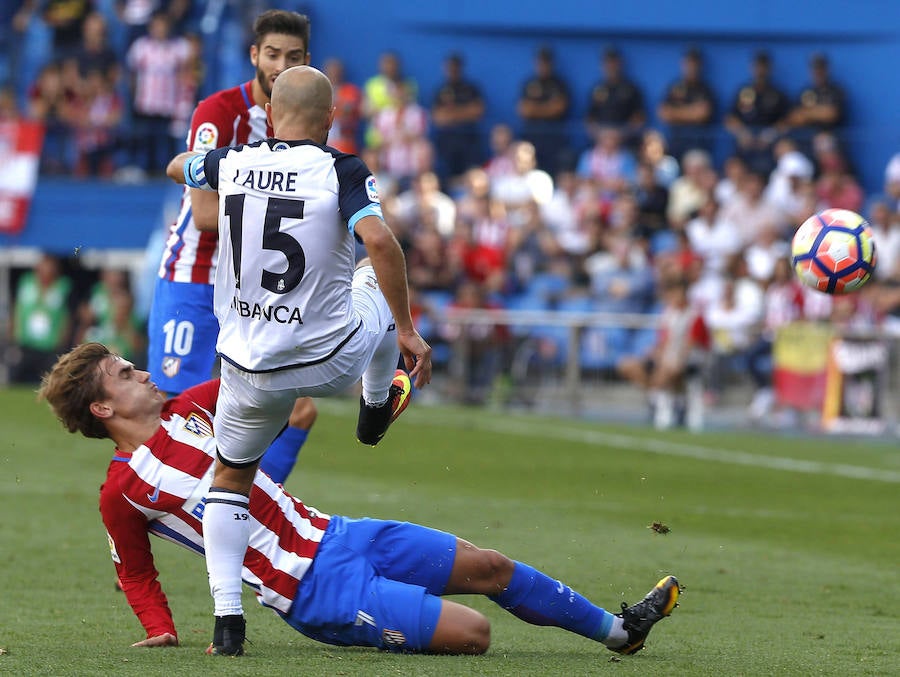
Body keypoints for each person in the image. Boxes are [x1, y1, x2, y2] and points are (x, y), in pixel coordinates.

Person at [39, 341, 681, 656]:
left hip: (341, 534)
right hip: (311, 590)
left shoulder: (197, 406)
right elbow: (135, 570)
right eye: (125, 374)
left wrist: (372, 364)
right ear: (102, 409)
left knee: (491, 566)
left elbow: (289, 398)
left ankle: (620, 631)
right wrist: (160, 629)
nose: (142, 372)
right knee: (476, 634)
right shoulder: (122, 490)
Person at [166, 64, 433, 655]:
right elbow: (379, 240)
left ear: (270, 113)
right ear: (331, 117)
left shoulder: (234, 161)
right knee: (372, 280)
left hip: (246, 369)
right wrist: (408, 330)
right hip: (327, 359)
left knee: (229, 479)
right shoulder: (342, 169)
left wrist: (200, 165)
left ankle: (227, 623)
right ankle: (374, 407)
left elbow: (177, 167)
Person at [147, 9, 315, 494]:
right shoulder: (219, 113)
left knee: (295, 411)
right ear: (254, 55)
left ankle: (243, 516)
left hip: (254, 288)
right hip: (196, 275)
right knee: (175, 413)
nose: (281, 66)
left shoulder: (302, 127)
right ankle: (153, 522)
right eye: (273, 54)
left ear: (306, 60)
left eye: (294, 57)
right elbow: (204, 215)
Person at [723, 51, 789, 175]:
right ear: (752, 67)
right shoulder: (743, 92)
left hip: (769, 148)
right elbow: (730, 119)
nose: (760, 70)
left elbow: (787, 121)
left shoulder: (777, 94)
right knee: (733, 165)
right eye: (758, 66)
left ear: (769, 69)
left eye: (764, 66)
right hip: (745, 146)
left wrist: (770, 134)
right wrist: (742, 133)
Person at [431, 52, 485, 184]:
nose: (452, 71)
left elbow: (477, 112)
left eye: (455, 67)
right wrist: (464, 112)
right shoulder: (440, 90)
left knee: (471, 176)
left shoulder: (471, 89)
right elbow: (438, 118)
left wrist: (451, 113)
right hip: (446, 143)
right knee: (445, 178)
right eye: (449, 67)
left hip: (468, 141)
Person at [516, 46, 571, 175]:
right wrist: (548, 107)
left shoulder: (559, 84)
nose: (543, 66)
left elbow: (558, 108)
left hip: (554, 138)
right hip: (531, 136)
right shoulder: (529, 84)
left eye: (546, 62)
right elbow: (523, 110)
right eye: (540, 62)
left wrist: (535, 109)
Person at [656, 46, 716, 160]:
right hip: (674, 144)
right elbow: (663, 113)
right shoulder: (674, 87)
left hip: (697, 145)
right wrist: (691, 112)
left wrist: (675, 113)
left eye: (694, 64)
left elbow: (702, 114)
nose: (691, 67)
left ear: (700, 65)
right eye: (688, 63)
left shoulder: (705, 89)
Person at [585, 47, 646, 151]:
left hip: (626, 145)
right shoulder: (597, 89)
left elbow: (639, 118)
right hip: (600, 145)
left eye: (613, 62)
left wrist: (620, 135)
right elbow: (589, 119)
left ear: (620, 64)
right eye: (607, 63)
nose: (611, 66)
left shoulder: (631, 89)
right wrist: (601, 137)